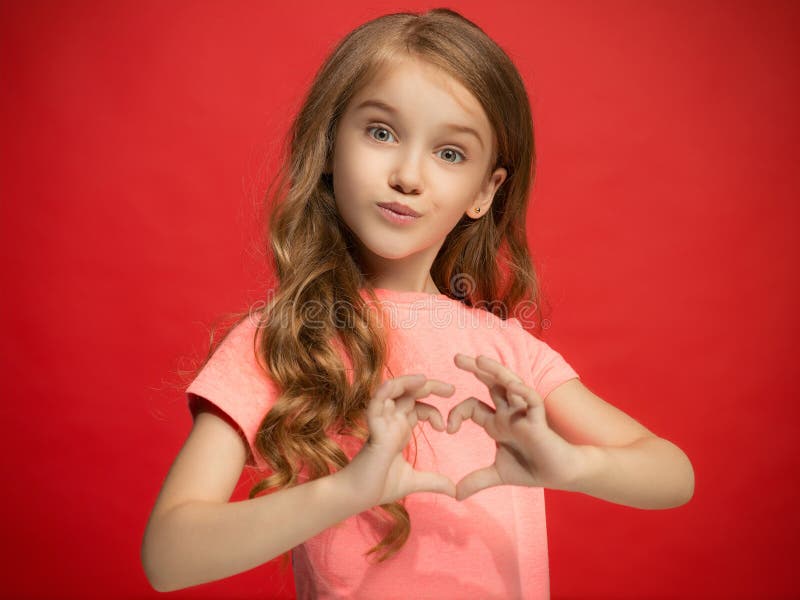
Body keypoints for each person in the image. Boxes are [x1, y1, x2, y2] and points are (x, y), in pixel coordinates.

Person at [141, 8, 695, 598]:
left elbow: (672, 473)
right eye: (381, 132)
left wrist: (570, 465)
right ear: (329, 145)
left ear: (485, 191)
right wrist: (349, 489)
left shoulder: (508, 352)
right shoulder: (278, 339)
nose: (408, 175)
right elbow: (169, 557)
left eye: (450, 153)